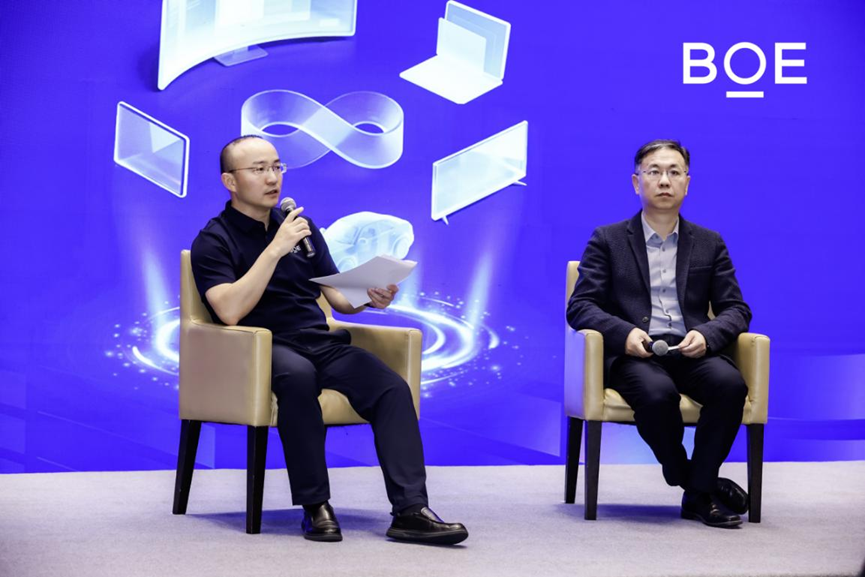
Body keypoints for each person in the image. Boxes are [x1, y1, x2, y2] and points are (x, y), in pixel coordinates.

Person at [191, 135, 468, 544]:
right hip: (261, 346)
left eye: (277, 167)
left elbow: (337, 298)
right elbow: (229, 310)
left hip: (318, 340)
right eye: (259, 169)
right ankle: (315, 506)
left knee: (391, 388)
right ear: (230, 181)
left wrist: (369, 296)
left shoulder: (300, 229)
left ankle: (410, 510)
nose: (272, 178)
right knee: (298, 377)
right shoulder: (214, 240)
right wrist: (274, 250)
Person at [566, 139, 752, 528]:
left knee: (730, 386)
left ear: (687, 182)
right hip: (637, 354)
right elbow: (580, 306)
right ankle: (696, 483)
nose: (664, 180)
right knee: (656, 394)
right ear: (637, 182)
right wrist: (624, 333)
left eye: (674, 172)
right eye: (654, 171)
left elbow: (737, 309)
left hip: (691, 350)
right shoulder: (608, 240)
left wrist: (709, 335)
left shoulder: (710, 243)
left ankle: (697, 491)